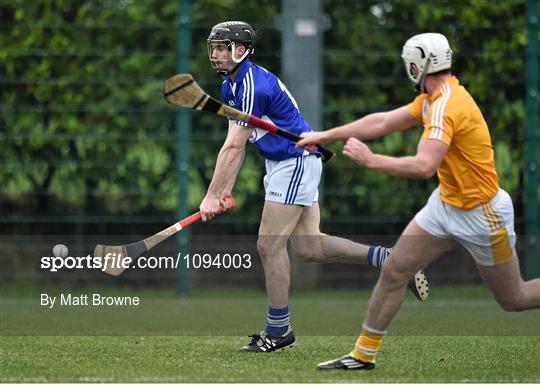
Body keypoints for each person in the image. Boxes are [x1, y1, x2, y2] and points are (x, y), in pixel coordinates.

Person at [297, 32, 540, 370]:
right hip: (445, 205)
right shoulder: (431, 99)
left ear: (417, 65)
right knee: (396, 269)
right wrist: (325, 135)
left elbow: (424, 166)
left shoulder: (445, 106)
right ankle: (362, 355)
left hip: (483, 214)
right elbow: (381, 121)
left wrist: (370, 160)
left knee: (515, 298)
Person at [200, 21, 429, 353]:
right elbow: (239, 144)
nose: (216, 54)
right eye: (214, 48)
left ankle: (278, 331)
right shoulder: (231, 86)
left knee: (268, 246)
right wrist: (222, 192)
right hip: (284, 163)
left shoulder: (251, 86)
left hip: (294, 161)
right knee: (311, 248)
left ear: (241, 49)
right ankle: (391, 259)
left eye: (223, 48)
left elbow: (233, 147)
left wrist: (212, 195)